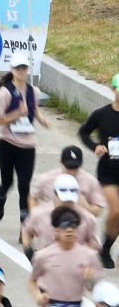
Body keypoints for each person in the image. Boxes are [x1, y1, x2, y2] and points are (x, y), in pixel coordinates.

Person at [0, 53, 50, 225]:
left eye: (24, 67)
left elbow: (34, 108)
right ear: (11, 69)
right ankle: (1, 195)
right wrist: (17, 113)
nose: (21, 71)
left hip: (27, 145)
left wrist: (41, 119)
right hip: (8, 142)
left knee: (24, 186)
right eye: (17, 68)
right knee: (8, 181)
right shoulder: (4, 94)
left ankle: (24, 226)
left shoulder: (34, 91)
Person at [77, 73, 119, 267]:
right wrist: (95, 146)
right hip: (108, 171)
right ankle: (105, 249)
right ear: (113, 89)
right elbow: (83, 132)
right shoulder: (102, 114)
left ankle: (107, 246)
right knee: (116, 211)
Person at [28, 205, 102, 306]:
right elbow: (32, 280)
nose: (69, 229)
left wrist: (91, 279)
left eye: (73, 225)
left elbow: (95, 288)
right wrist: (37, 296)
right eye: (64, 225)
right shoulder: (43, 256)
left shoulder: (89, 255)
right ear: (57, 230)